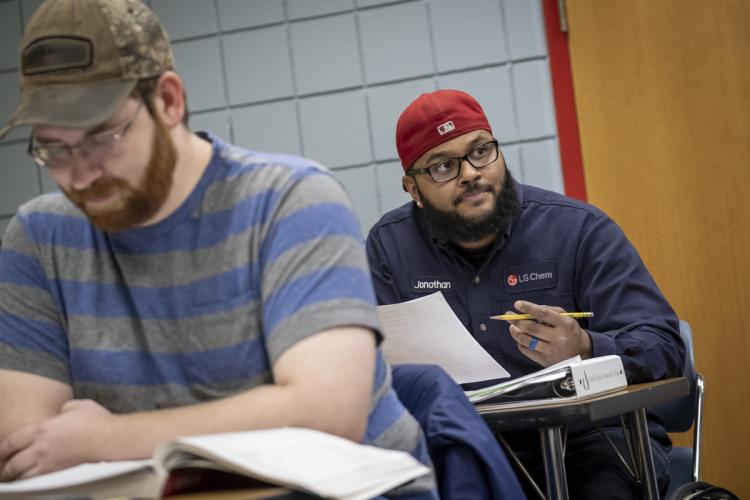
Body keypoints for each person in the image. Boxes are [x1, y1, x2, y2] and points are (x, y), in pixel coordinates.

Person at [0, 1, 438, 497]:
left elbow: (326, 413)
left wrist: (105, 436)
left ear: (168, 101)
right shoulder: (39, 238)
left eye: (102, 137)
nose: (78, 175)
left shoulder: (291, 201)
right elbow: (27, 446)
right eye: (53, 149)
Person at [366, 89, 685, 499]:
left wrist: (586, 348)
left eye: (480, 151)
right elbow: (376, 366)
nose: (469, 173)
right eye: (443, 166)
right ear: (413, 188)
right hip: (465, 443)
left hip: (592, 441)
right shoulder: (389, 248)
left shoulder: (580, 230)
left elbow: (663, 344)